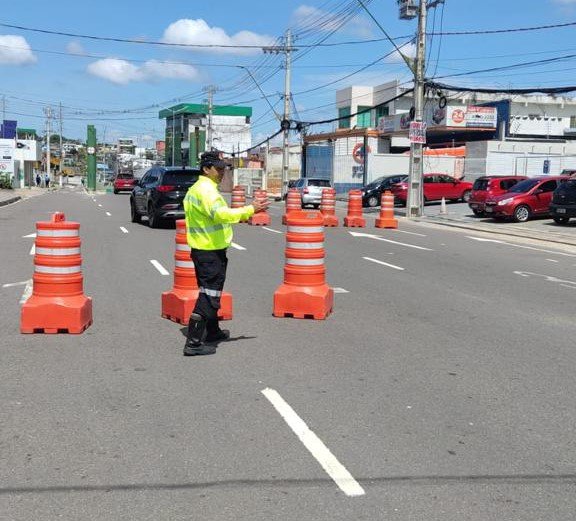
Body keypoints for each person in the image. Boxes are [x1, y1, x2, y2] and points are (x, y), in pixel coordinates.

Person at [182, 151, 268, 356]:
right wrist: (249, 209)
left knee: (210, 291)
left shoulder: (197, 189)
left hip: (205, 249)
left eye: (223, 168)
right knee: (209, 295)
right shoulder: (206, 191)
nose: (221, 172)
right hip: (209, 251)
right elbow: (221, 215)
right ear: (206, 169)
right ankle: (193, 343)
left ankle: (212, 332)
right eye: (218, 169)